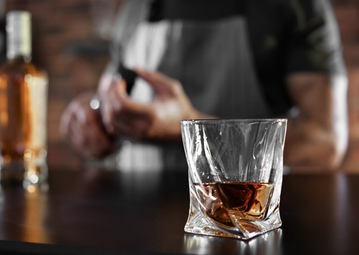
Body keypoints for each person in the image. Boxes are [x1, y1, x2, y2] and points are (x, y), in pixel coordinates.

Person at [59, 0, 348, 174]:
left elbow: (325, 143)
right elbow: (114, 96)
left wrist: (185, 128)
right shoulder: (135, 9)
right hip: (137, 227)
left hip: (243, 226)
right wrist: (92, 117)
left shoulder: (292, 6)